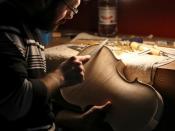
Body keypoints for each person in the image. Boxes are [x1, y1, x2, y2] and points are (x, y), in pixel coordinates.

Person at [0, 0, 112, 130]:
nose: (70, 15)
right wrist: (59, 76)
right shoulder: (6, 24)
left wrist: (78, 121)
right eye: (70, 7)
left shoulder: (31, 27)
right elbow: (14, 104)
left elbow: (36, 109)